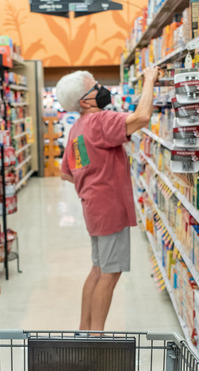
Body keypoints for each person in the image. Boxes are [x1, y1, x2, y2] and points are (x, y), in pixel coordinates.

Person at [55, 66, 159, 331]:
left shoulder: (77, 128)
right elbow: (142, 117)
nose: (101, 88)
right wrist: (149, 80)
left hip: (93, 207)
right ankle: (96, 338)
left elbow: (66, 172)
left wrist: (92, 177)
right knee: (110, 273)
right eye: (95, 86)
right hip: (110, 208)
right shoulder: (101, 121)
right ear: (84, 101)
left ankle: (85, 330)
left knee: (98, 269)